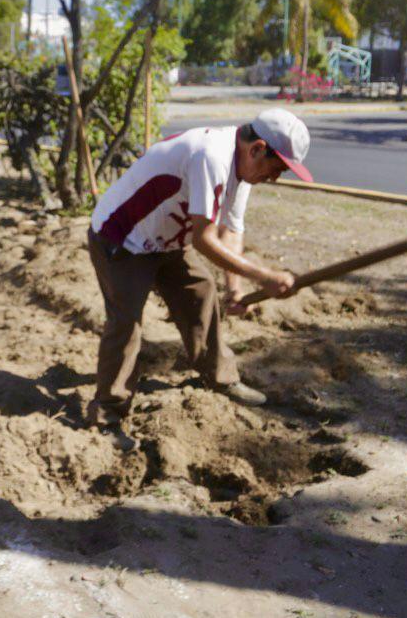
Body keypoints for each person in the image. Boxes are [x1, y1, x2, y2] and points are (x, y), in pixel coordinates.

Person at [84, 108, 314, 429]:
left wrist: (235, 288)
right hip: (122, 236)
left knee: (202, 293)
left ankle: (220, 378)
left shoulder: (244, 168)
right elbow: (204, 239)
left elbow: (230, 231)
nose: (274, 178)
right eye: (276, 169)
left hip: (166, 240)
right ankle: (109, 407)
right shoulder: (211, 157)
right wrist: (265, 276)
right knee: (127, 319)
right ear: (257, 148)